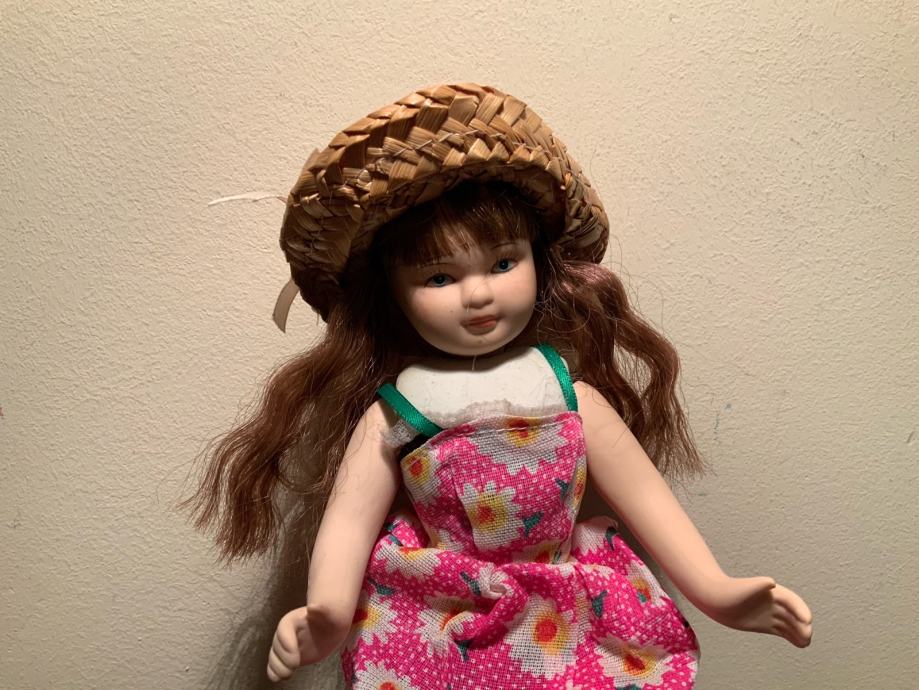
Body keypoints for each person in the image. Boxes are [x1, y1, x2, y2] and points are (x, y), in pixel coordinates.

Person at [186, 83, 812, 689]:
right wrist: (326, 611)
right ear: (392, 296)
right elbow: (348, 524)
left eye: (504, 262)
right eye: (439, 277)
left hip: (567, 613)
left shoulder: (568, 394)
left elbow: (648, 501)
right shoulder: (400, 410)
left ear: (541, 262)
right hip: (441, 624)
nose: (479, 294)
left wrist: (716, 590)